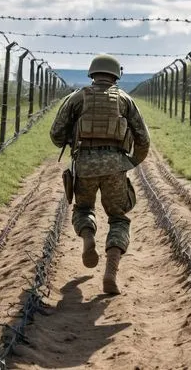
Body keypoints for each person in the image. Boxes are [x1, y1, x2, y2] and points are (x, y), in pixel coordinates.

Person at [50, 54, 151, 295]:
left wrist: (74, 141)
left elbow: (56, 134)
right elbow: (143, 139)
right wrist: (130, 162)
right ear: (116, 75)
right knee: (118, 218)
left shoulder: (77, 97)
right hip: (115, 166)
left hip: (84, 165)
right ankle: (110, 273)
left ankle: (88, 239)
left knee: (83, 209)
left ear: (92, 74)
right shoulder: (125, 100)